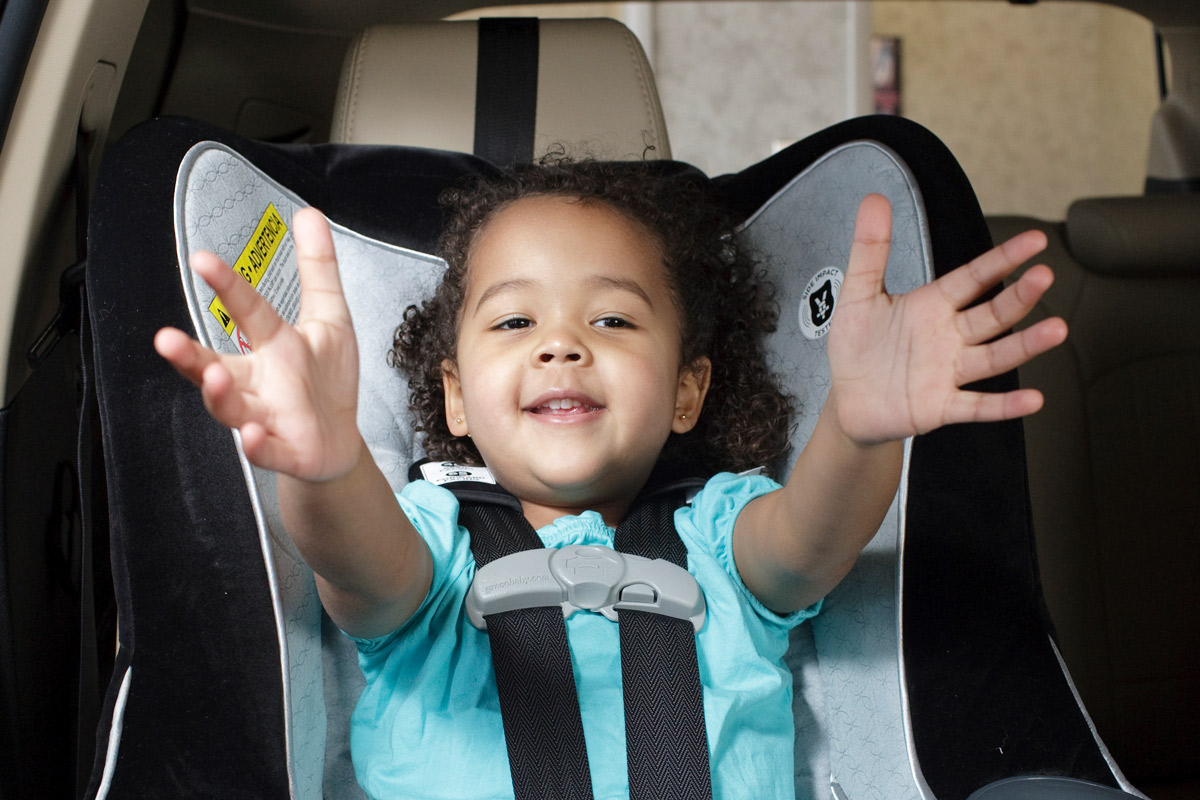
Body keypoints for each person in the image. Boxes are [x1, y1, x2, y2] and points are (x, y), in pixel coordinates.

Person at [153, 160, 1067, 799]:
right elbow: (361, 566)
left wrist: (860, 428)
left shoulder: (717, 531)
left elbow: (807, 547)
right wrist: (332, 463)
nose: (562, 342)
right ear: (457, 398)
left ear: (685, 390)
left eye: (615, 321)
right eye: (514, 323)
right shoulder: (431, 540)